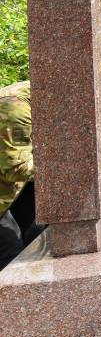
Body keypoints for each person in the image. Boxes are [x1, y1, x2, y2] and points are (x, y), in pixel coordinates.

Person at [0, 81, 34, 269]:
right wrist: (68, 167)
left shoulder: (34, 96)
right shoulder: (16, 107)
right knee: (11, 255)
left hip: (11, 192)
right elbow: (16, 168)